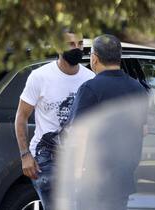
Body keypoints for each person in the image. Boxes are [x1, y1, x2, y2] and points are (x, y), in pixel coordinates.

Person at [14, 31, 95, 210]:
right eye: (71, 44)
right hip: (46, 158)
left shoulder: (90, 79)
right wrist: (25, 155)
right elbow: (21, 116)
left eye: (80, 44)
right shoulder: (40, 77)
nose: (77, 48)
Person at [68, 34, 149, 210]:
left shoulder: (90, 89)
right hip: (123, 180)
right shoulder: (138, 89)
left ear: (94, 58)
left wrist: (76, 176)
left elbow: (79, 136)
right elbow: (143, 130)